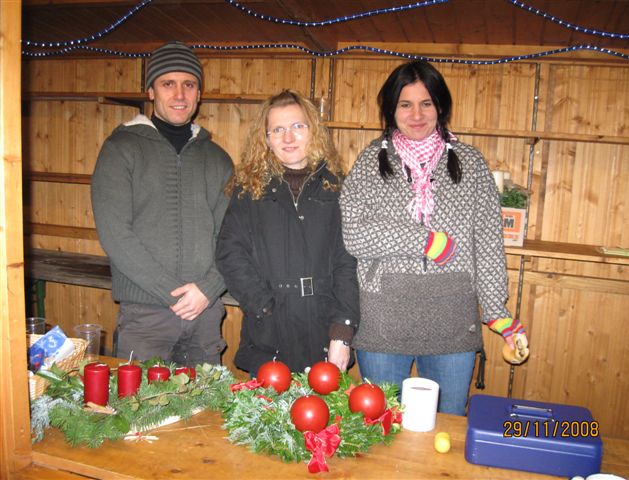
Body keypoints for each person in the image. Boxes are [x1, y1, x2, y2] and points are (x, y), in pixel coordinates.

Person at [339, 60, 528, 415]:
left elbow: (488, 244)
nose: (416, 115)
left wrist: (496, 312)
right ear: (391, 109)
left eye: (426, 103)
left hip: (452, 320)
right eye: (405, 104)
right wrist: (424, 241)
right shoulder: (369, 163)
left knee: (447, 426)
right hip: (383, 319)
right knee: (380, 425)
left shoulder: (471, 164)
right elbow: (354, 234)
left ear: (440, 106)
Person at [92, 41, 233, 366]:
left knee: (205, 400)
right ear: (151, 91)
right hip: (145, 317)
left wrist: (209, 289)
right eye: (168, 83)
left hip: (205, 312)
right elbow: (115, 234)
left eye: (189, 84)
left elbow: (232, 237)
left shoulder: (219, 160)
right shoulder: (120, 149)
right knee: (139, 400)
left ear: (199, 94)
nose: (180, 94)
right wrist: (173, 293)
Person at [215, 89, 359, 375]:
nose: (288, 138)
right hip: (268, 332)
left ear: (313, 131)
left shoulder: (337, 189)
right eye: (278, 130)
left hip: (323, 331)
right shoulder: (249, 190)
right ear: (266, 139)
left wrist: (342, 331)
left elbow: (348, 263)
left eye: (297, 126)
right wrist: (262, 305)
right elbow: (230, 253)